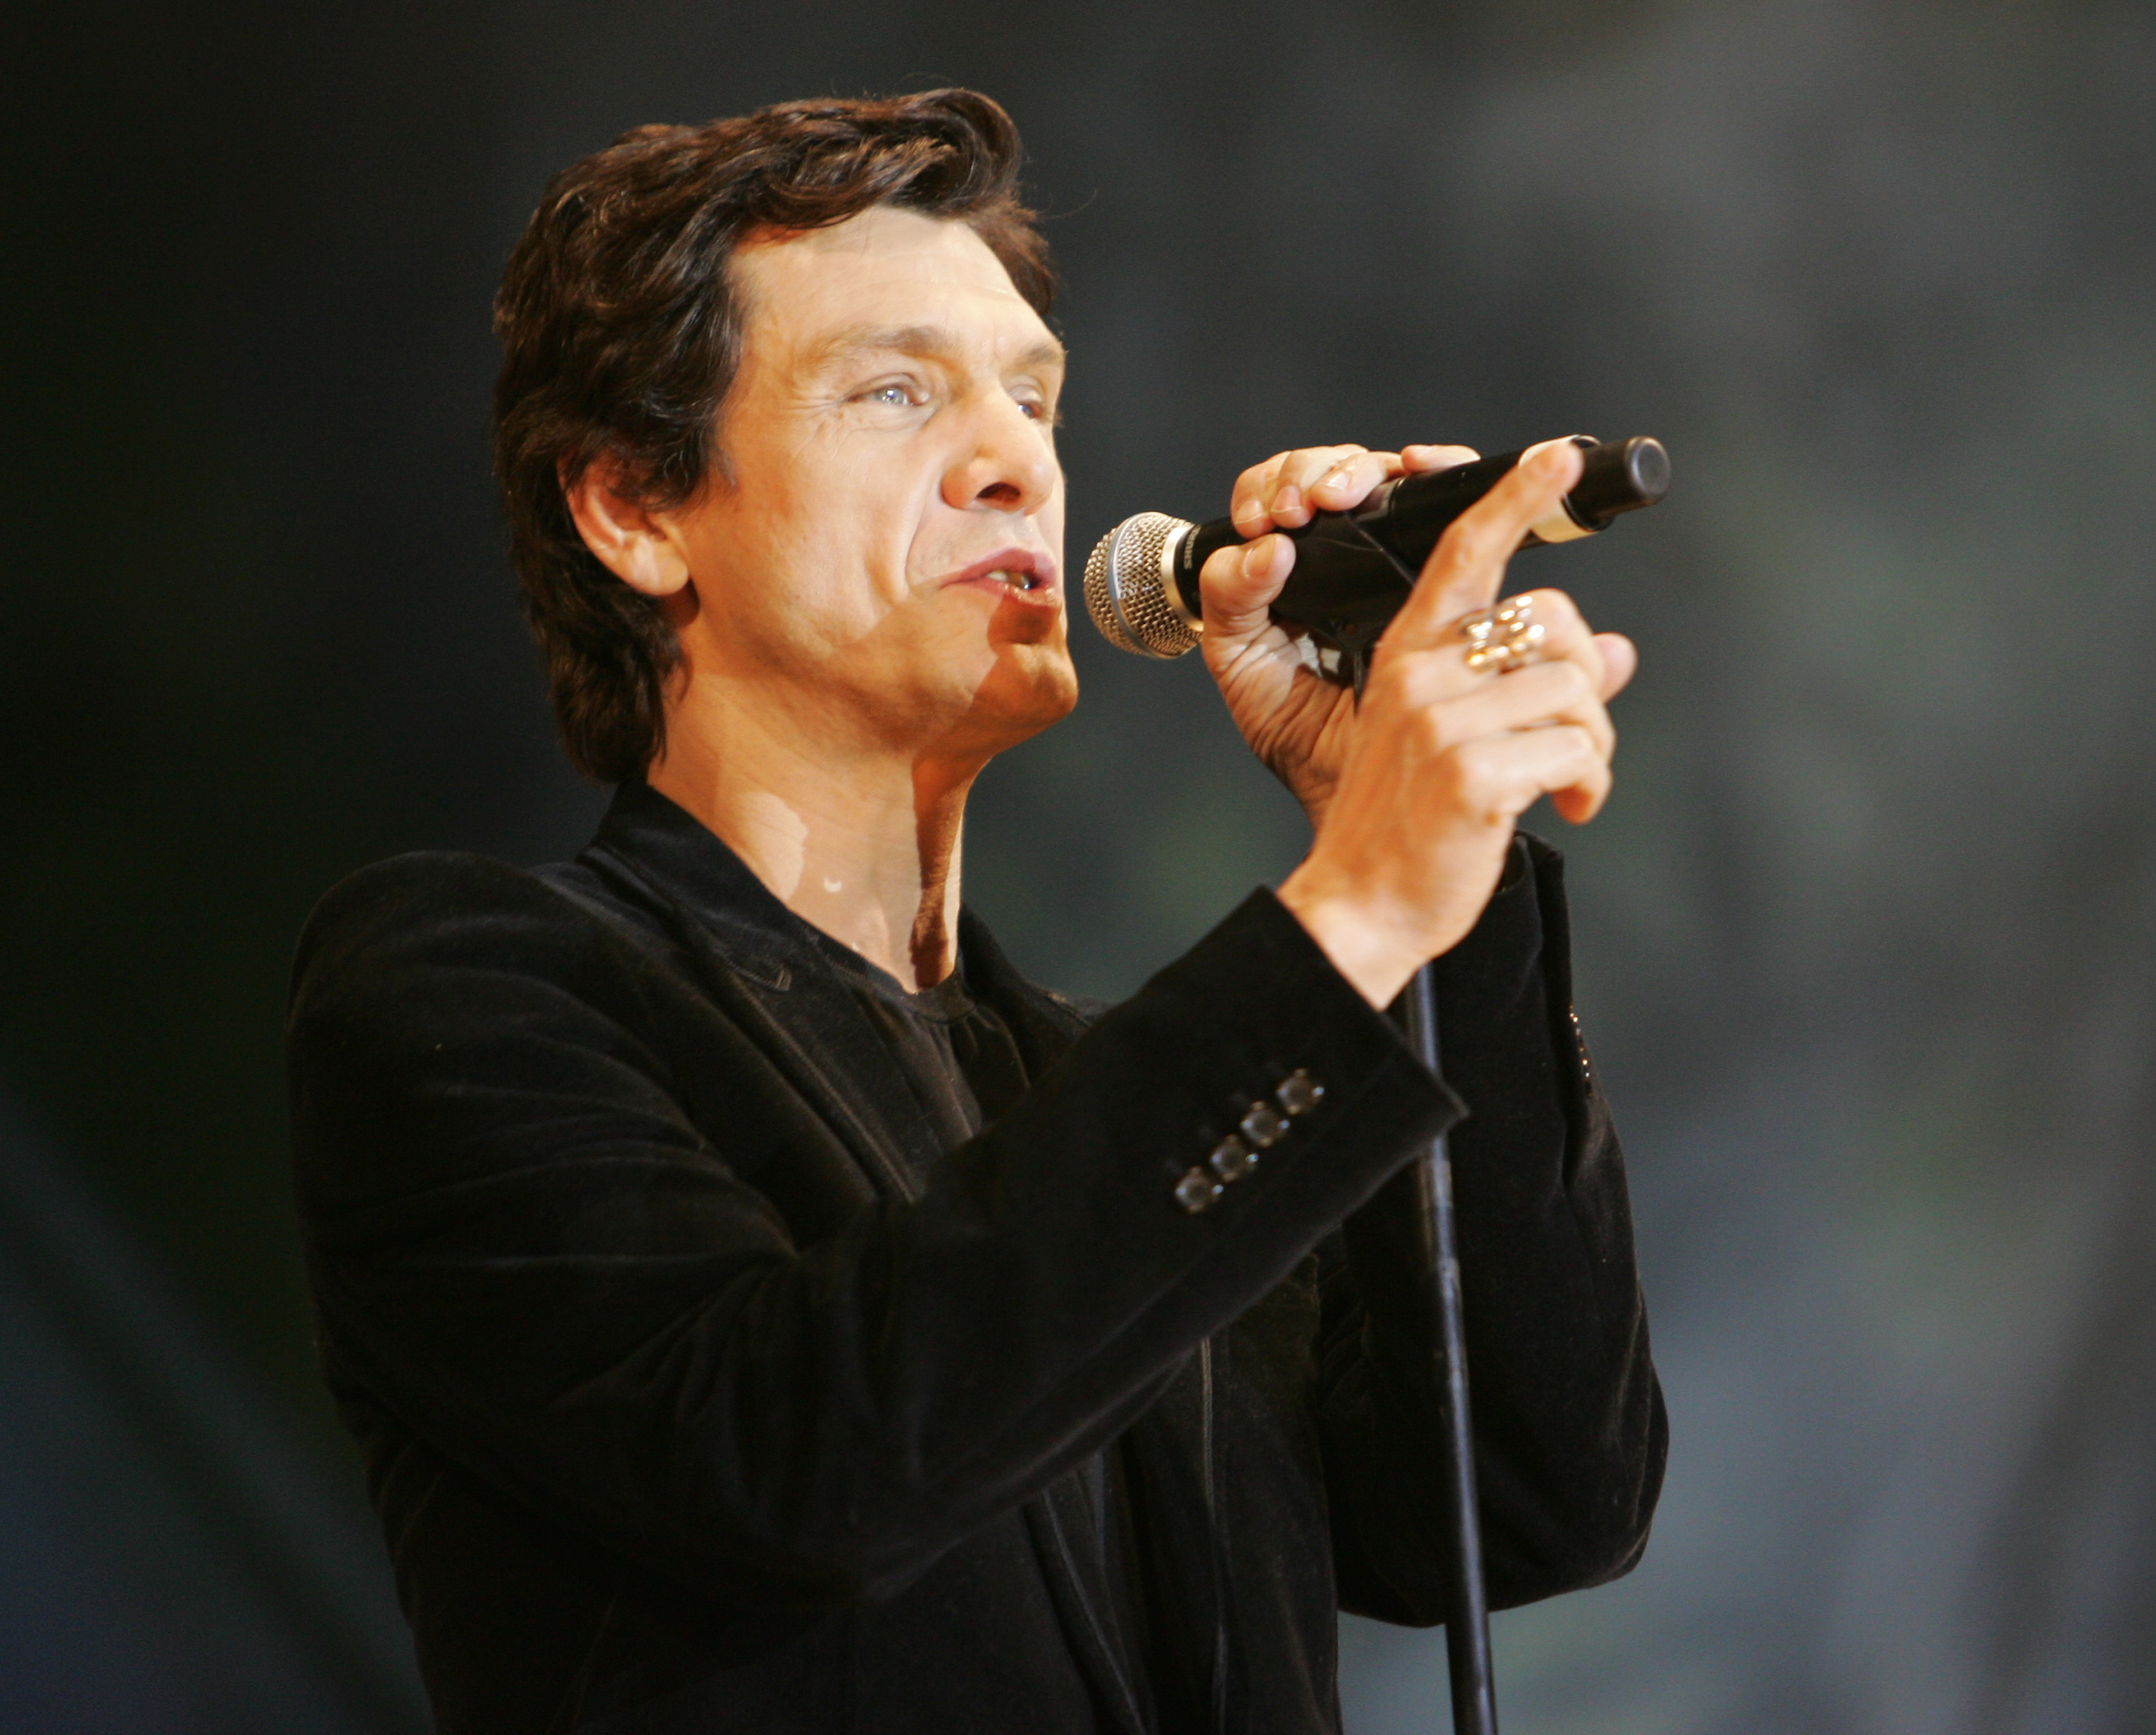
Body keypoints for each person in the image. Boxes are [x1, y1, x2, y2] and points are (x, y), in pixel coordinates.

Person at [288, 89, 1665, 1734]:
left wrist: (1452, 887)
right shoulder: (471, 990)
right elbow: (800, 1461)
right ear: (632, 509)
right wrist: (1351, 907)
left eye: (1033, 395)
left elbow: (1534, 1495)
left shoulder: (1113, 1096)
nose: (1017, 458)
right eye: (894, 391)